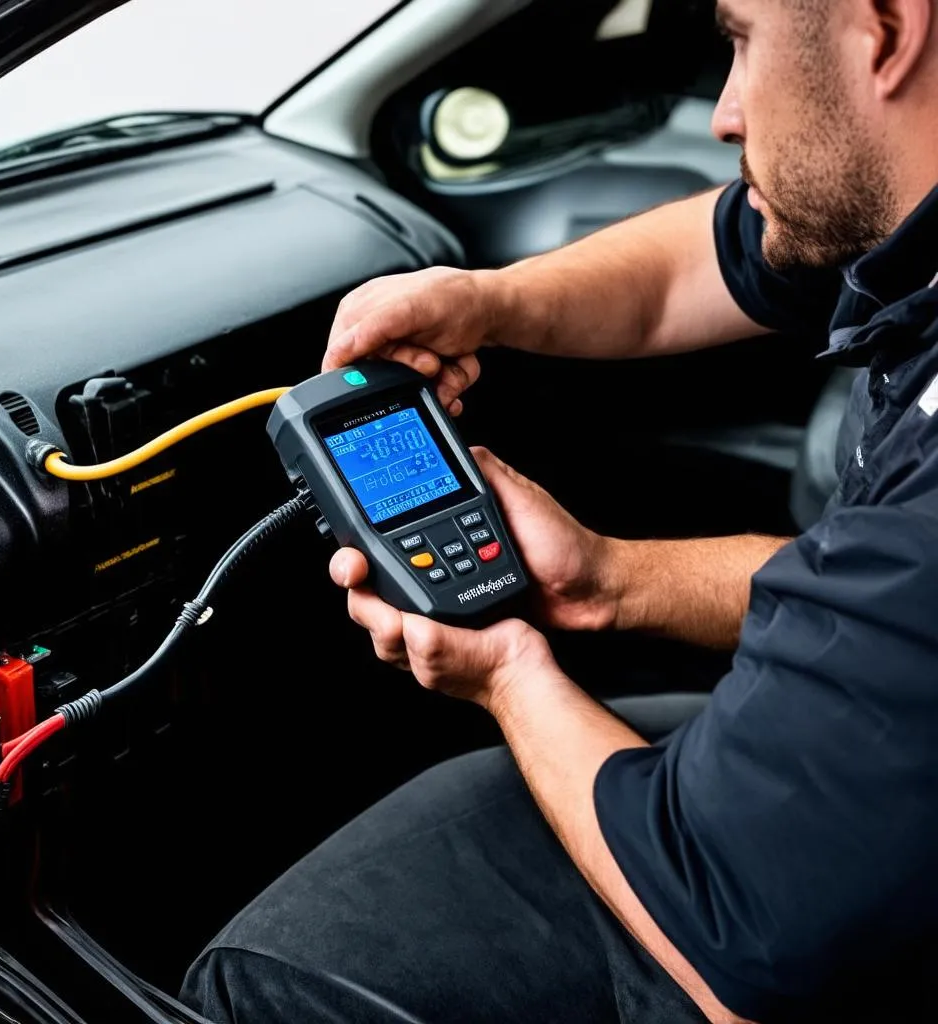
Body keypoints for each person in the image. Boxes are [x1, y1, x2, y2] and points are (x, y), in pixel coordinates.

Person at [180, 0, 938, 1020]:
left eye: (741, 39)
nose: (723, 113)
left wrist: (507, 673)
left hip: (764, 935)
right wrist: (490, 303)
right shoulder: (902, 216)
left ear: (886, 28)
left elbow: (731, 950)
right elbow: (720, 257)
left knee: (259, 977)